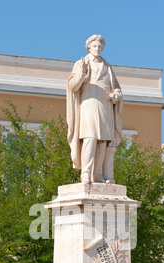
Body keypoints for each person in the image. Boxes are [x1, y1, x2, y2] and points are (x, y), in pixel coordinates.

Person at [67, 35, 123, 184]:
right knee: (90, 139)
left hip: (105, 107)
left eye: (100, 46)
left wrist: (116, 95)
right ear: (89, 47)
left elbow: (116, 87)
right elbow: (72, 86)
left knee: (102, 141)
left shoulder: (107, 67)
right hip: (88, 106)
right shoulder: (81, 63)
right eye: (95, 46)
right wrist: (82, 73)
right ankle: (86, 173)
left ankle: (97, 174)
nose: (97, 49)